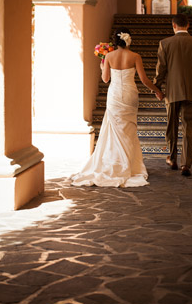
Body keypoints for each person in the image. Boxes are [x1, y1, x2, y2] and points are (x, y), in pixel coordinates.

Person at [70, 28, 163, 188]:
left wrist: (102, 67)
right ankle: (128, 165)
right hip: (130, 94)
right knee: (128, 129)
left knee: (115, 130)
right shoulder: (135, 56)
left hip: (114, 95)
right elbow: (143, 79)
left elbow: (105, 79)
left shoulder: (108, 56)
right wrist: (157, 90)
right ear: (129, 40)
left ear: (115, 41)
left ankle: (115, 164)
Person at [154, 14, 192, 177]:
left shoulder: (165, 43)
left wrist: (157, 88)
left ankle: (172, 158)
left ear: (174, 25)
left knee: (172, 126)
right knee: (189, 128)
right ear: (188, 25)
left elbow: (161, 69)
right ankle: (186, 164)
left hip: (172, 91)